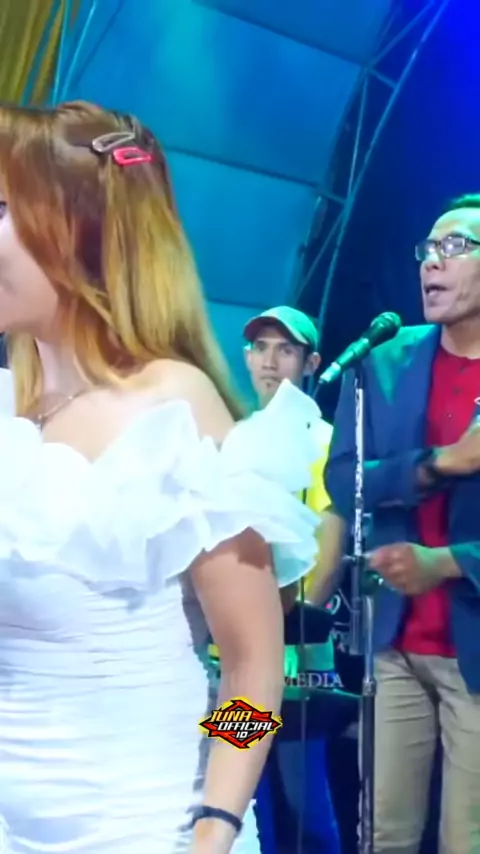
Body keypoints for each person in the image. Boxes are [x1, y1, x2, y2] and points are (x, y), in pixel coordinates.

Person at [0, 101, 323, 854]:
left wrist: (217, 824)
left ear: (75, 230)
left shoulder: (175, 409)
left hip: (146, 832)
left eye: (2, 210)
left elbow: (252, 669)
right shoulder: (13, 416)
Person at [325, 194, 480, 854]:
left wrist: (444, 562)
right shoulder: (383, 361)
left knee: (464, 839)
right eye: (427, 249)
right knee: (382, 834)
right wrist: (440, 464)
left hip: (472, 651)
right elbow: (343, 481)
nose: (431, 263)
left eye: (455, 247)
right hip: (393, 645)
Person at [242, 305, 342, 854]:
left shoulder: (324, 442)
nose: (270, 361)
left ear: (311, 362)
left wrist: (291, 626)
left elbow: (330, 544)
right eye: (260, 348)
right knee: (242, 786)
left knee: (304, 796)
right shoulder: (236, 438)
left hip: (299, 655)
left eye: (285, 349)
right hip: (235, 660)